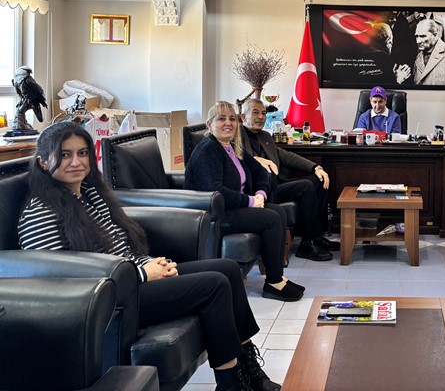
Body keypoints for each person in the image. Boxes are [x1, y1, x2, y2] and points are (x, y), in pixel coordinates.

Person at [17, 121, 282, 391]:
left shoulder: (89, 193)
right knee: (214, 285)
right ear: (43, 162)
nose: (76, 162)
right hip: (110, 300)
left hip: (132, 280)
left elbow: (119, 247)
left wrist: (151, 264)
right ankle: (231, 385)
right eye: (65, 155)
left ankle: (249, 369)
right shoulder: (41, 211)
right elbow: (57, 276)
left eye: (82, 153)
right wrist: (143, 273)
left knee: (227, 269)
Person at [184, 100, 305, 300]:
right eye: (221, 119)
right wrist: (250, 201)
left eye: (232, 119)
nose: (228, 123)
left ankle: (277, 277)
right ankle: (273, 283)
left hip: (233, 207)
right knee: (271, 218)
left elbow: (260, 172)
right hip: (215, 215)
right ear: (210, 125)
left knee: (279, 211)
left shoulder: (232, 146)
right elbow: (215, 191)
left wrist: (260, 194)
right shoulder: (208, 150)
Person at [241, 98, 337, 260]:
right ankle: (306, 244)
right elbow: (239, 157)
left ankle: (317, 236)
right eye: (255, 113)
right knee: (306, 186)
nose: (261, 117)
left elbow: (285, 155)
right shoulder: (236, 136)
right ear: (243, 117)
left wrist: (315, 167)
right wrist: (256, 159)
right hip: (259, 190)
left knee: (319, 180)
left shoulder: (265, 136)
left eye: (263, 113)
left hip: (276, 183)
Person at [395, 18, 445, 85]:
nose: (418, 41)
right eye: (416, 36)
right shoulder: (419, 57)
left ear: (434, 35)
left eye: (422, 36)